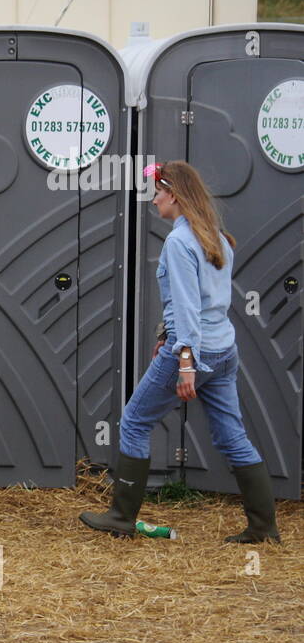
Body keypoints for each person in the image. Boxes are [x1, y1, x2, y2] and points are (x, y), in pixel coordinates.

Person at [80, 161, 280, 543]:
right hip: (223, 349)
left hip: (193, 352)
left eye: (157, 193)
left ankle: (122, 516)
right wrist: (165, 333)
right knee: (232, 436)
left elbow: (188, 308)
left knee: (136, 421)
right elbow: (206, 303)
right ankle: (263, 528)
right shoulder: (216, 237)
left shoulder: (178, 242)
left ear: (173, 194)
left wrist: (185, 362)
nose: (154, 201)